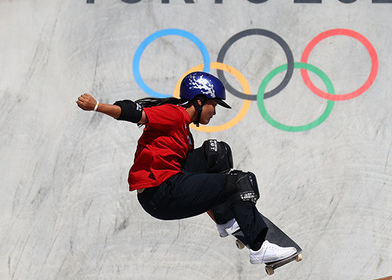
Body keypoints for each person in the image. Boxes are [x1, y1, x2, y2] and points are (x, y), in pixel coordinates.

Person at [76, 71, 296, 264]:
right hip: (161, 194)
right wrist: (96, 106)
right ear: (199, 101)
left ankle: (224, 219)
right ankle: (260, 248)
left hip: (167, 183)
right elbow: (135, 112)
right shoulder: (174, 114)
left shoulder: (182, 125)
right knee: (240, 181)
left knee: (217, 152)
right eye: (214, 105)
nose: (215, 112)